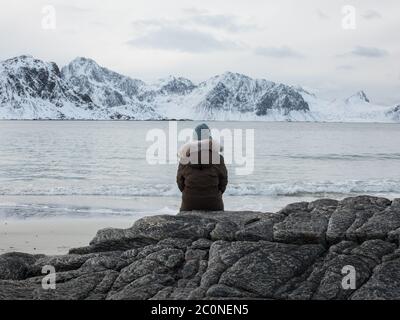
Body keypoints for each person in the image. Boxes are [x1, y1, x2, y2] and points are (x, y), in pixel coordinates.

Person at [177, 123, 228, 212]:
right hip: (214, 205)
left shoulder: (184, 158)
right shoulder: (218, 158)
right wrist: (215, 193)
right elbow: (223, 182)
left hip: (188, 206)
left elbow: (180, 182)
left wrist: (190, 194)